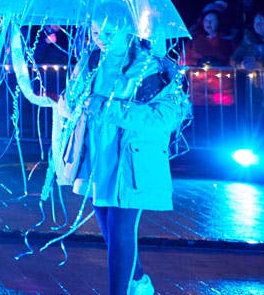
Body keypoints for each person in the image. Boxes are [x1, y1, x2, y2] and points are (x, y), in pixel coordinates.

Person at [57, 25, 189, 295]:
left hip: (132, 161)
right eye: (95, 33)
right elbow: (72, 101)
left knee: (120, 230)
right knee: (107, 225)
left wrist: (107, 107)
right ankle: (138, 281)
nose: (101, 39)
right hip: (96, 157)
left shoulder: (152, 67)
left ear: (127, 30)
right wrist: (69, 103)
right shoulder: (91, 61)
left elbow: (164, 117)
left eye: (108, 33)